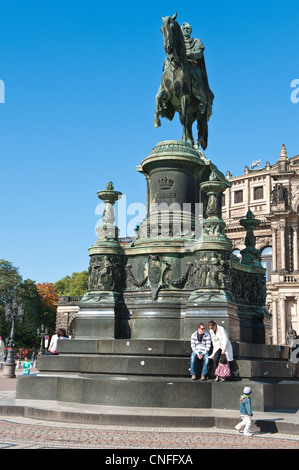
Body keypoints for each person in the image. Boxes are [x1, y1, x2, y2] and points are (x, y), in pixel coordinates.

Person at [181, 22, 214, 120]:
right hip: (181, 66)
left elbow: (199, 54)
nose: (186, 30)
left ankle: (202, 100)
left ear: (190, 31)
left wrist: (188, 55)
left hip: (193, 65)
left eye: (188, 29)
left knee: (198, 79)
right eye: (184, 29)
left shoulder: (196, 41)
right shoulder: (178, 42)